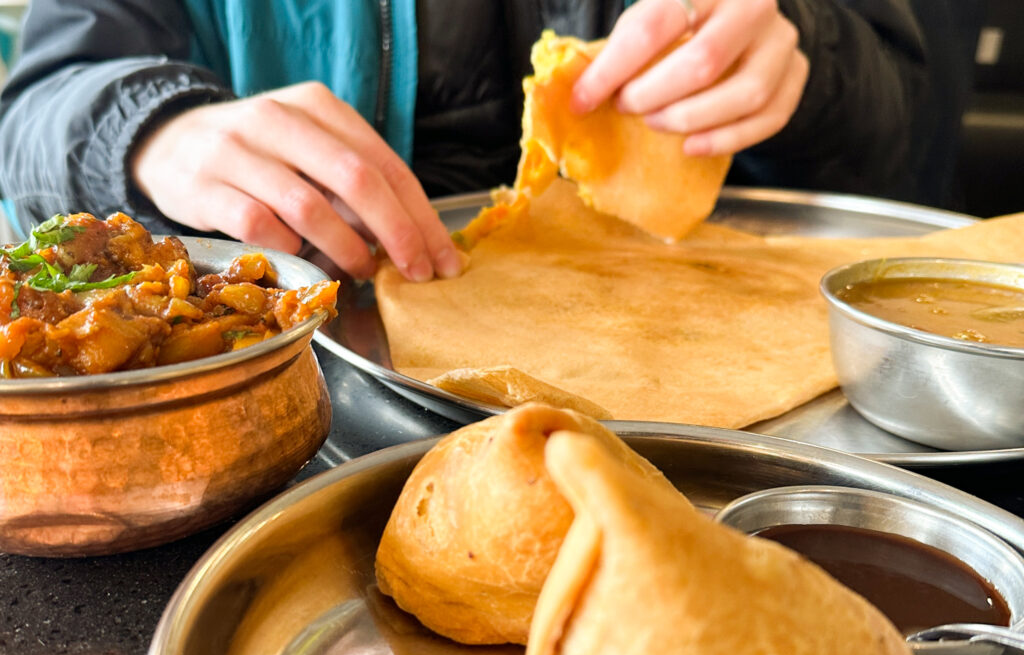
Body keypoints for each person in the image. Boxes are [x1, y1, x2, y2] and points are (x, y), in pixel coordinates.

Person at [0, 0, 939, 283]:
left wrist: (805, 50)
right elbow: (36, 104)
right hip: (295, 411)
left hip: (683, 384)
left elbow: (898, 121)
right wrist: (150, 129)